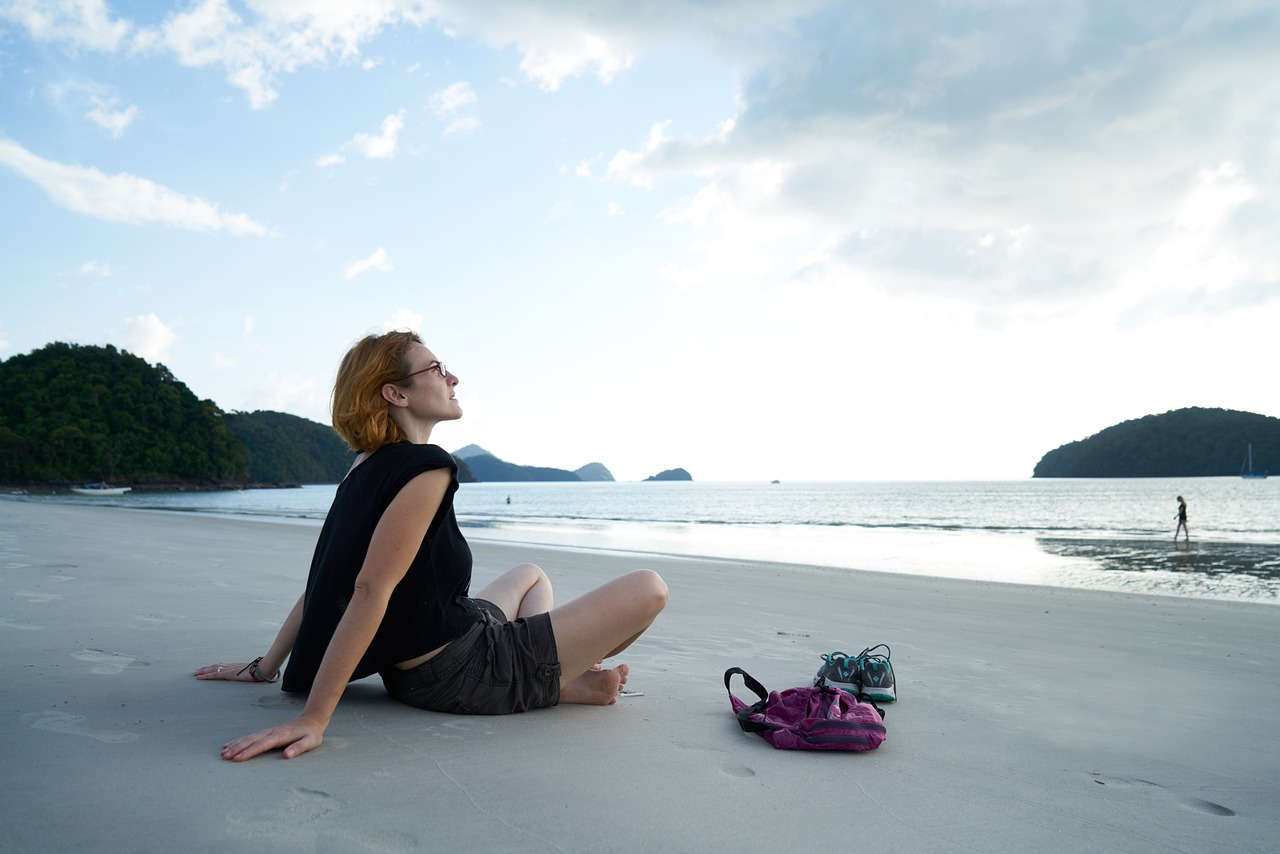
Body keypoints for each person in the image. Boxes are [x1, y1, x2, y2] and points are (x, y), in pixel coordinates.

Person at [194, 330, 668, 761]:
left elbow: (323, 580)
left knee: (531, 574)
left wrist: (267, 667)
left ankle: (551, 671)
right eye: (438, 369)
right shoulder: (427, 469)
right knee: (649, 588)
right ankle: (550, 680)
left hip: (438, 650)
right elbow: (367, 591)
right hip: (463, 672)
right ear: (397, 393)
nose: (453, 377)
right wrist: (313, 719)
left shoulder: (366, 466)